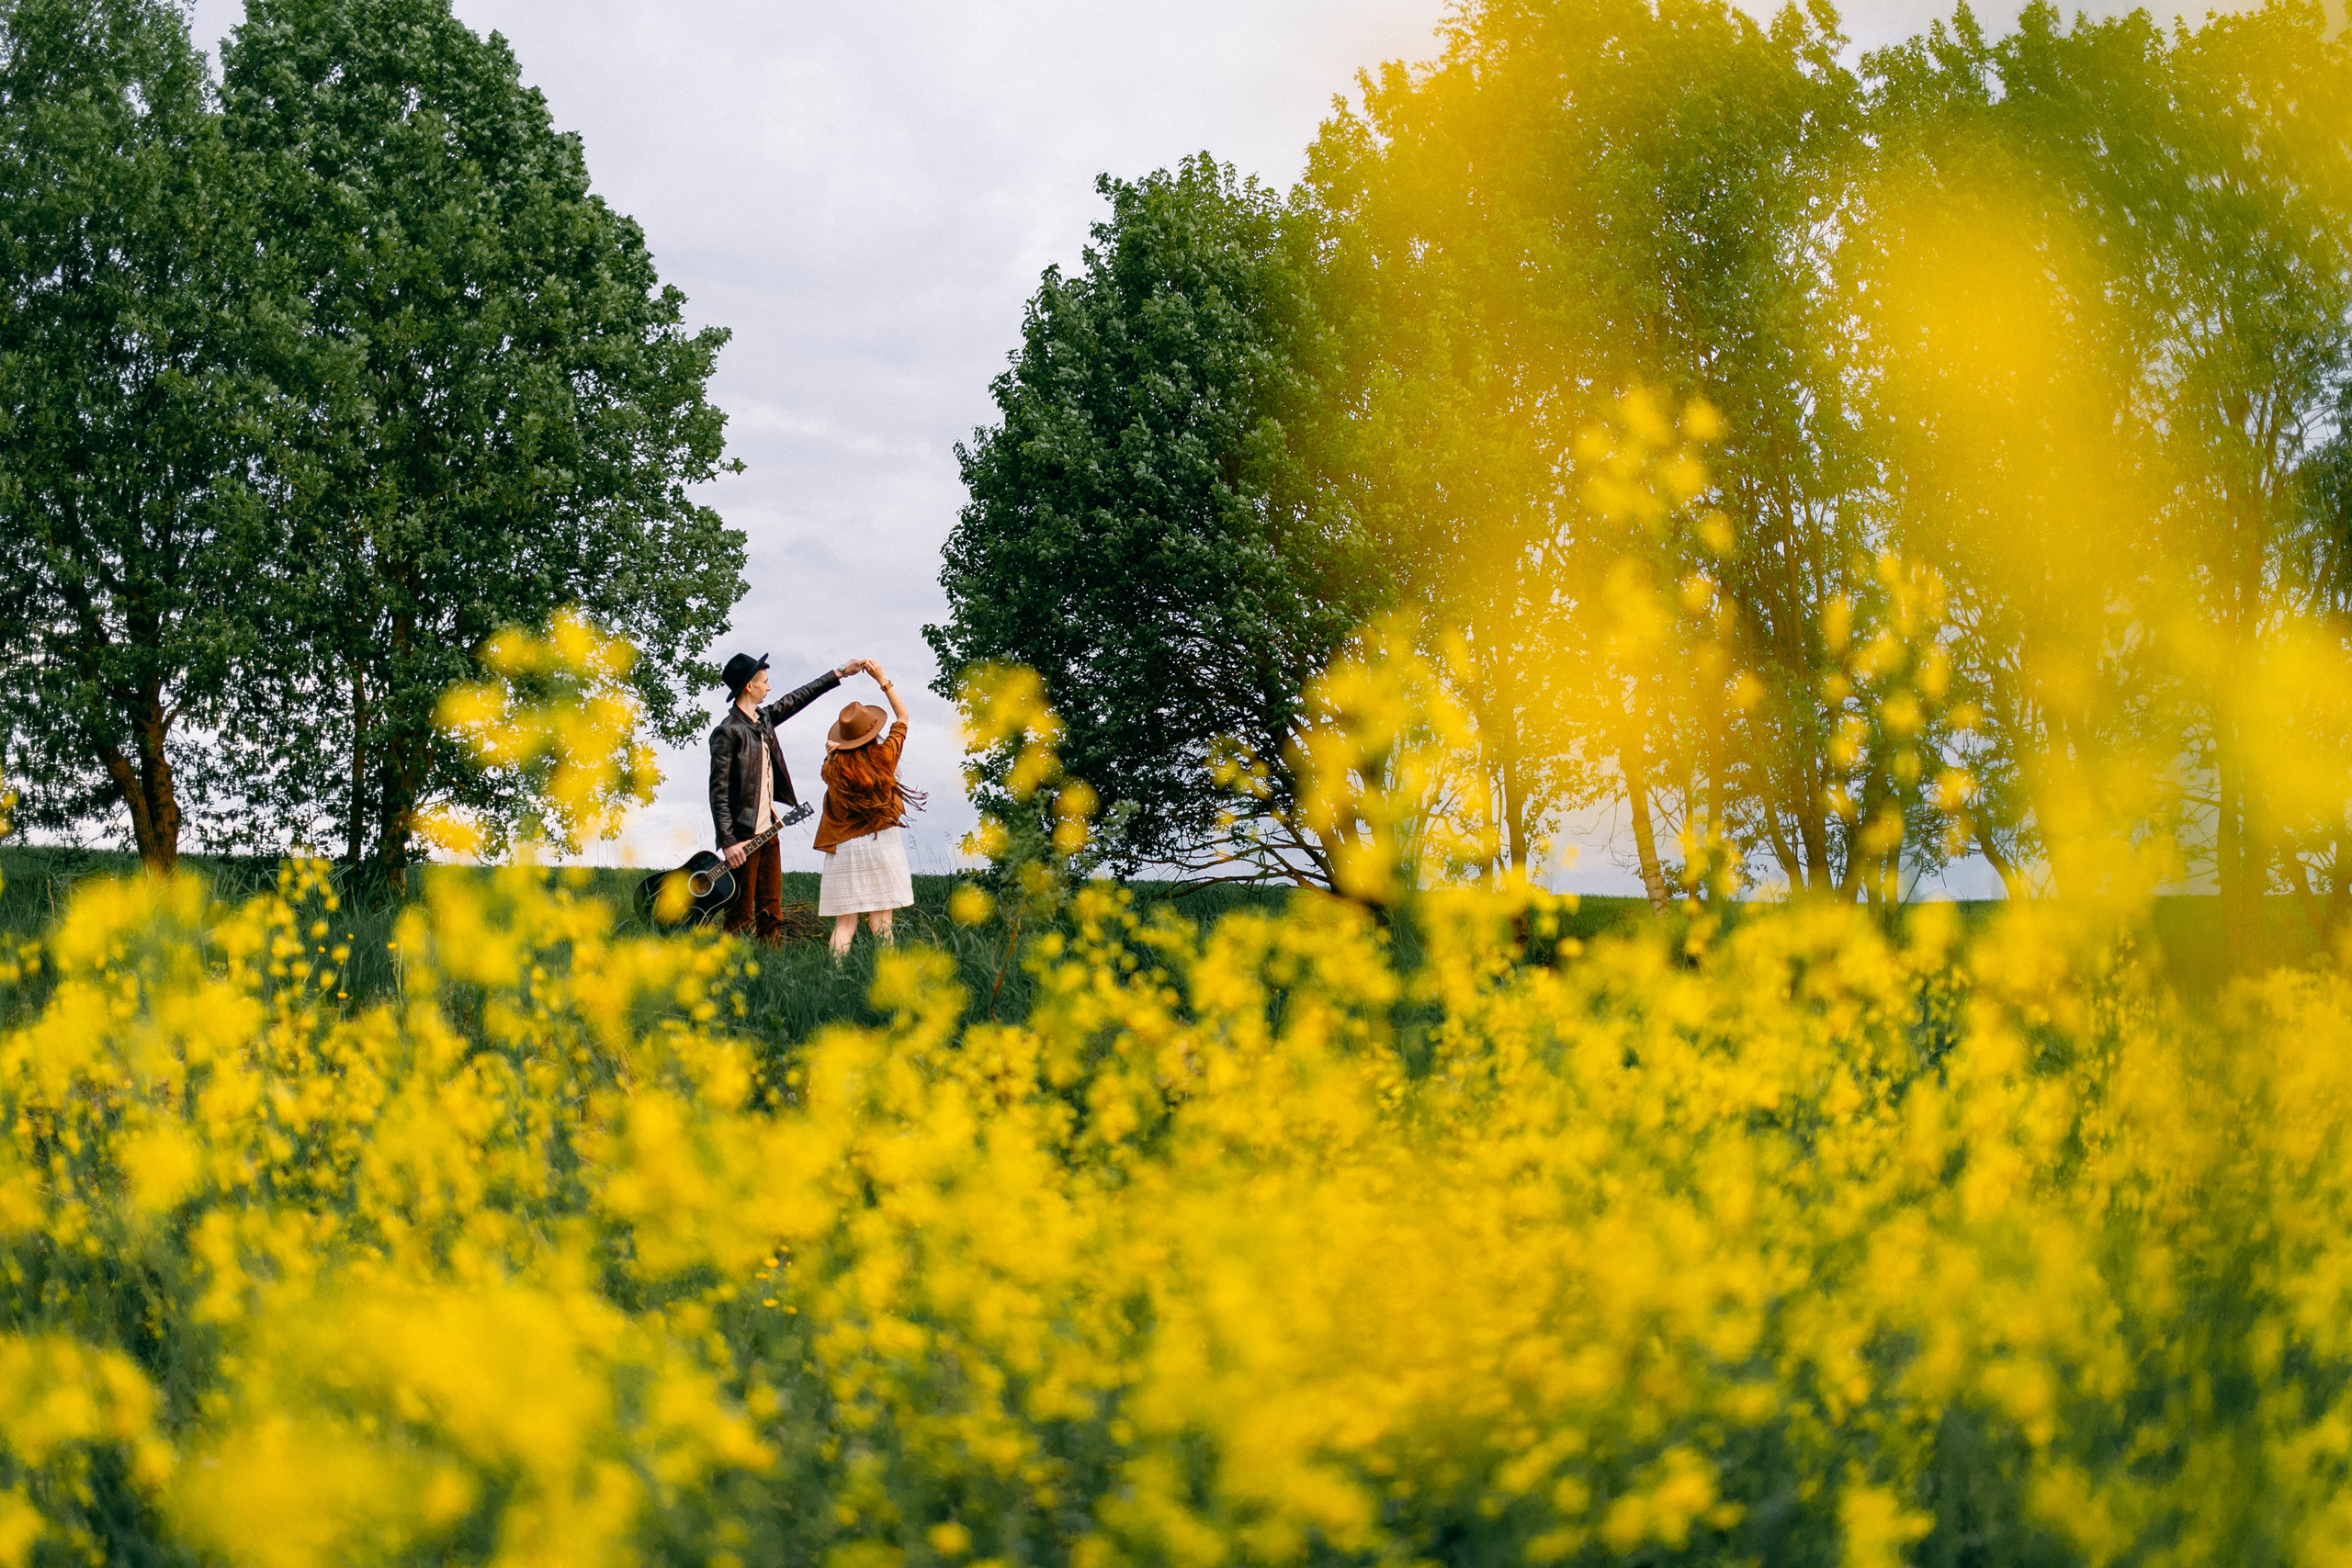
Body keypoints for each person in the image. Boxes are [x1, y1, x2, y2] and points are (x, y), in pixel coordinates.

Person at [710, 651, 868, 943]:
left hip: (769, 833)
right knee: (739, 917)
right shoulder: (727, 733)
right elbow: (718, 793)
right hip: (743, 839)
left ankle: (770, 975)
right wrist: (729, 841)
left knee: (771, 913)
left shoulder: (764, 720)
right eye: (765, 682)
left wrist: (840, 672)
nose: (769, 688)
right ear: (749, 686)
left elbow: (799, 697)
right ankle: (729, 976)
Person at [814, 661, 924, 960]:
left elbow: (830, 768)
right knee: (882, 922)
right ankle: (885, 978)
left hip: (845, 849)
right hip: (882, 844)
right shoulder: (885, 755)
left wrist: (830, 755)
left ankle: (834, 979)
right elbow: (903, 716)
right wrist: (882, 680)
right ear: (871, 731)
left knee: (845, 924)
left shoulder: (832, 768)